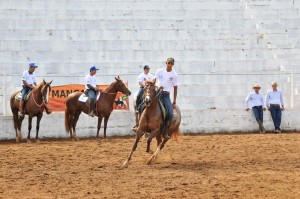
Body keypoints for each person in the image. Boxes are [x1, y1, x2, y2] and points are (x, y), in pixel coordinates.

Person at [155, 57, 178, 139]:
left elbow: (175, 88)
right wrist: (158, 86)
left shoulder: (174, 75)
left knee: (171, 114)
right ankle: (138, 125)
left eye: (171, 63)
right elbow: (155, 80)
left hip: (165, 95)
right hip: (157, 92)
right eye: (169, 63)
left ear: (173, 65)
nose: (170, 65)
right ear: (166, 63)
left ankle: (165, 132)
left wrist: (174, 101)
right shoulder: (159, 71)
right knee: (145, 103)